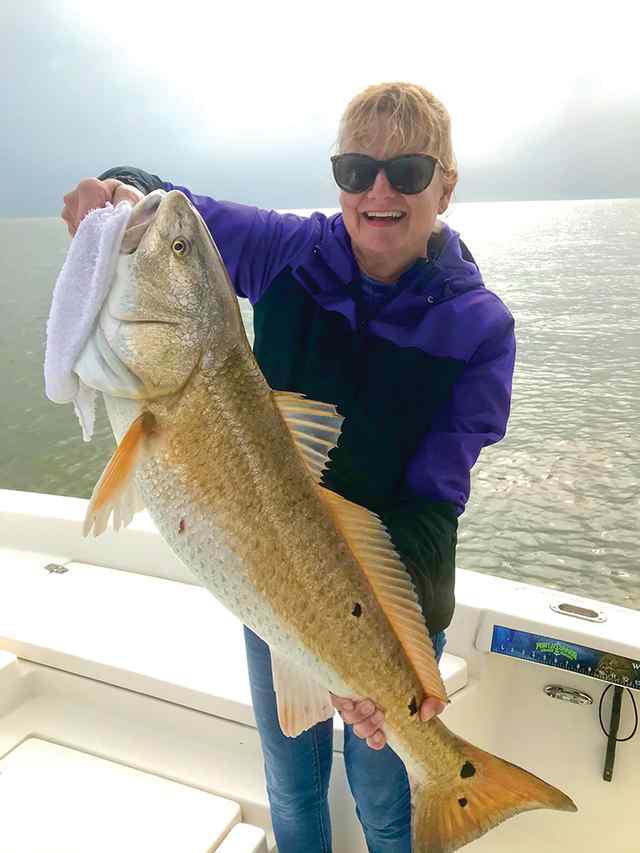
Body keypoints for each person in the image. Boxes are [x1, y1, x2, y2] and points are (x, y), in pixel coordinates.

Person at [61, 82, 515, 853]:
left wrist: (367, 660)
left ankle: (444, 786)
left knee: (383, 795)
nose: (378, 191)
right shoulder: (288, 252)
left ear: (446, 184)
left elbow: (435, 500)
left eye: (407, 171)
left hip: (386, 593)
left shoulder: (480, 326)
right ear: (336, 176)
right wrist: (117, 189)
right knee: (291, 781)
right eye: (354, 168)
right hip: (269, 573)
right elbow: (176, 212)